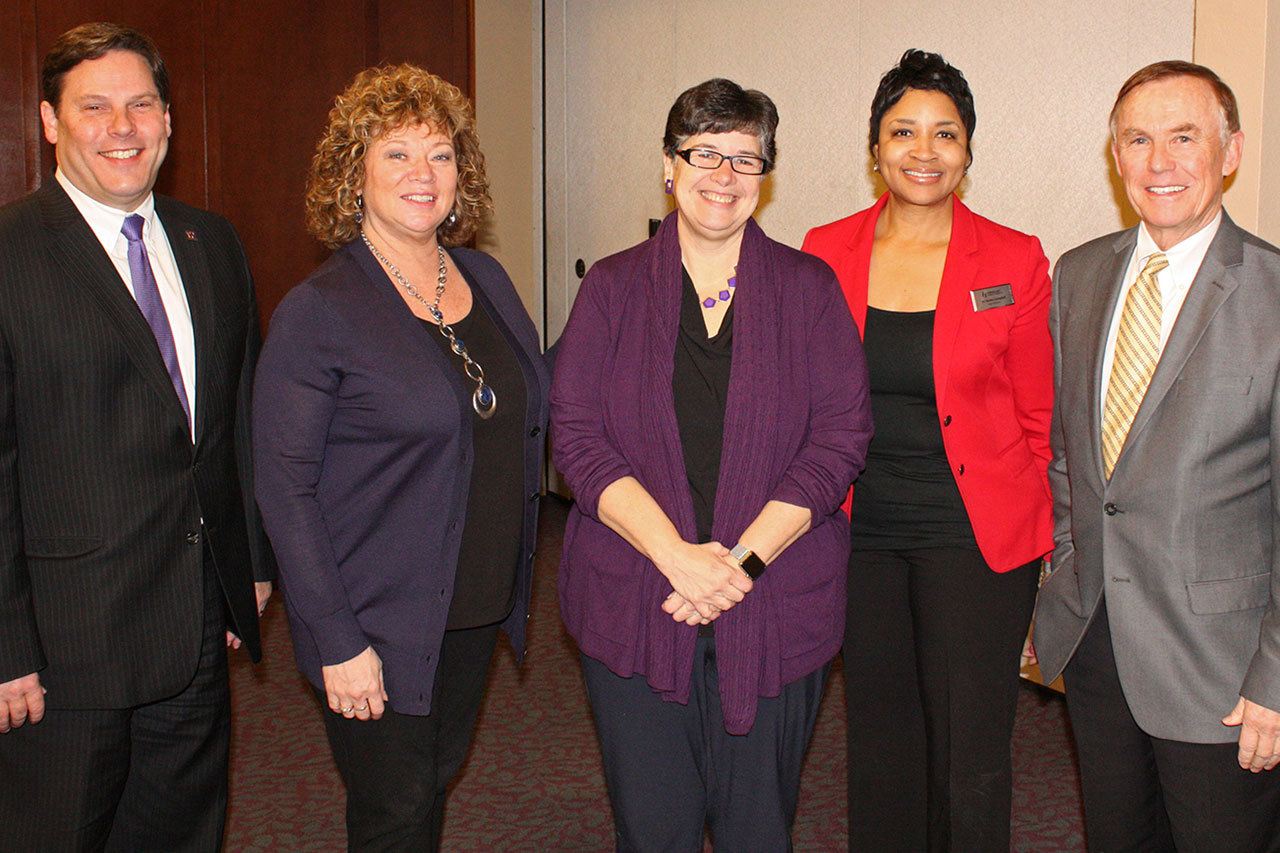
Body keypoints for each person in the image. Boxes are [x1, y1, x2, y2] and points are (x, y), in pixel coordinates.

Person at [552, 77, 872, 850]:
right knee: (652, 827)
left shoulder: (808, 287)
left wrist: (740, 565)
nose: (722, 176)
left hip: (777, 600)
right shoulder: (612, 287)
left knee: (758, 830)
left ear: (766, 176)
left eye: (744, 158)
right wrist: (678, 559)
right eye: (704, 153)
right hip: (636, 599)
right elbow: (576, 434)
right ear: (669, 163)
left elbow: (841, 437)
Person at [253, 64, 550, 851]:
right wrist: (336, 639)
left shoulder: (483, 275)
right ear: (353, 174)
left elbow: (527, 400)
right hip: (375, 618)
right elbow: (284, 488)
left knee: (431, 783)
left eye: (442, 154)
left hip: (472, 599)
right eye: (396, 154)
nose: (424, 174)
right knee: (394, 810)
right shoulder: (320, 310)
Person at [0, 22, 274, 850]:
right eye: (94, 107)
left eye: (141, 104)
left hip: (193, 629)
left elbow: (237, 421)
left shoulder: (210, 240)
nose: (122, 127)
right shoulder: (9, 252)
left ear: (167, 119)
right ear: (50, 121)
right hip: (63, 646)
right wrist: (6, 645)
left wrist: (246, 569)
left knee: (182, 833)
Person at [802, 49, 1054, 852]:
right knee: (880, 738)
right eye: (903, 130)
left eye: (945, 133)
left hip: (975, 536)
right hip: (859, 530)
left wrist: (1054, 552)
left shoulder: (1014, 260)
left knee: (970, 748)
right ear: (875, 147)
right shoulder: (822, 249)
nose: (924, 149)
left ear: (969, 151)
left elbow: (1041, 417)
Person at [1033, 60, 1280, 850]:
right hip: (1099, 648)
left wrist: (1276, 680)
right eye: (1138, 139)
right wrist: (1063, 581)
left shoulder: (1273, 295)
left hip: (1226, 671)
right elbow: (1071, 462)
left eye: (1184, 137)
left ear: (1231, 150)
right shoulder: (1077, 275)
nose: (1159, 162)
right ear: (1115, 155)